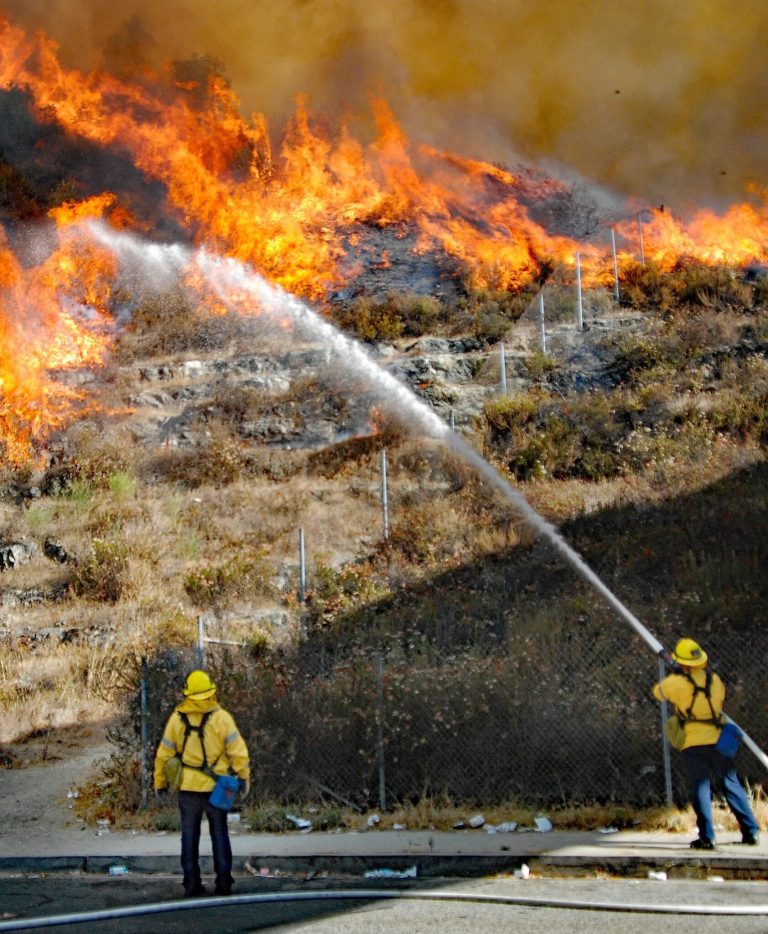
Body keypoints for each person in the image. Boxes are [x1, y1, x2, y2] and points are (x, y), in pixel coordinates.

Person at [653, 638, 760, 850]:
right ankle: (751, 831)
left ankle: (707, 837)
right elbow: (718, 702)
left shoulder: (676, 683)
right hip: (719, 740)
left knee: (701, 787)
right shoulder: (715, 680)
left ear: (681, 662)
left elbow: (658, 693)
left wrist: (676, 674)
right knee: (731, 784)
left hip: (693, 743)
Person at [154, 669, 251, 897]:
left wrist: (160, 783)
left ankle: (191, 883)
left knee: (189, 836)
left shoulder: (177, 719)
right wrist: (244, 776)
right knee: (220, 833)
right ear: (211, 692)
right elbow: (238, 751)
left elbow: (163, 755)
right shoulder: (222, 718)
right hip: (219, 788)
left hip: (188, 790)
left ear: (187, 693)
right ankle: (224, 882)